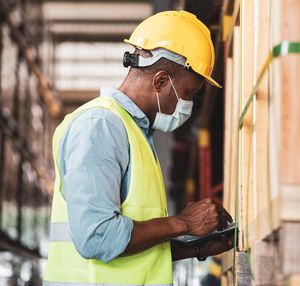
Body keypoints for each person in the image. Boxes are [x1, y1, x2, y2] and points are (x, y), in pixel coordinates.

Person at [43, 10, 233, 286]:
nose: (188, 106)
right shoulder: (100, 126)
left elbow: (135, 251)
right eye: (189, 94)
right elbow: (98, 237)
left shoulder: (136, 133)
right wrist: (183, 222)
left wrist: (199, 247)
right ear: (160, 81)